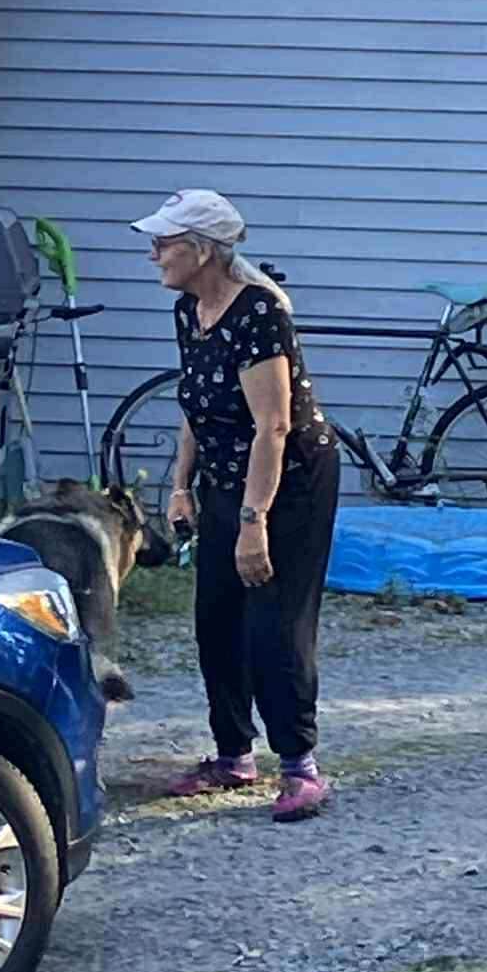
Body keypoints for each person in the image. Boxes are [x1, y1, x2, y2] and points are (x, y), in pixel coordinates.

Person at [131, 190, 337, 821]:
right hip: (225, 477)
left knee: (274, 623)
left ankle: (300, 766)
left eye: (164, 243)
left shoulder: (258, 314)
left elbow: (272, 426)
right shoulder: (189, 309)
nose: (154, 254)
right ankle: (232, 754)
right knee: (216, 618)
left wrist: (255, 524)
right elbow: (195, 405)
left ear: (202, 250)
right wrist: (180, 485)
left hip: (288, 481)